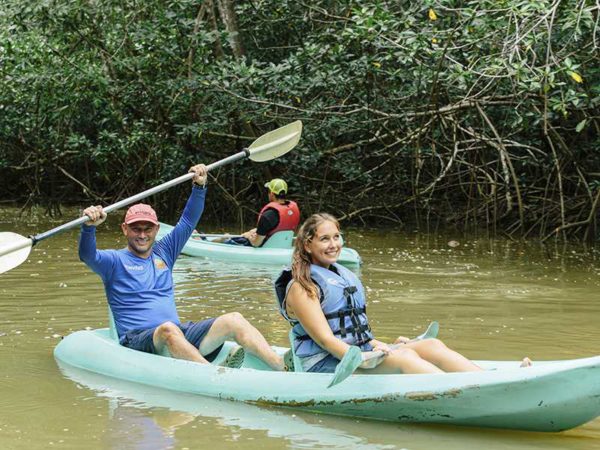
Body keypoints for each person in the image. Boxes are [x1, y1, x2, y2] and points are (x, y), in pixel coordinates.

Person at [79, 164, 284, 371]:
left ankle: (282, 368)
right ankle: (215, 377)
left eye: (147, 229)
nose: (142, 235)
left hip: (177, 333)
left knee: (234, 319)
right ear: (125, 229)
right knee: (168, 329)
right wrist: (88, 228)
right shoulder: (113, 261)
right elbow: (87, 255)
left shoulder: (165, 251)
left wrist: (199, 186)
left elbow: (188, 221)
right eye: (136, 229)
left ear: (156, 229)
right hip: (139, 339)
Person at [275, 213, 532, 374]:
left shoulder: (341, 275)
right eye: (324, 239)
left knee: (429, 345)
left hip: (357, 352)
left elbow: (358, 333)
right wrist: (365, 358)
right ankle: (470, 392)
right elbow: (326, 341)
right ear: (308, 244)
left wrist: (380, 346)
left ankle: (486, 380)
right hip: (324, 364)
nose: (334, 245)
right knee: (406, 357)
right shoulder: (302, 287)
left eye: (337, 237)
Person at [223, 178, 300, 247]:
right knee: (249, 232)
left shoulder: (268, 216)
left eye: (268, 191)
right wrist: (253, 231)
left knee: (225, 241)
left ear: (272, 194)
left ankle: (225, 238)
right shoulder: (293, 210)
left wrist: (248, 236)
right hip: (283, 245)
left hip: (266, 246)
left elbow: (256, 244)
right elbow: (275, 228)